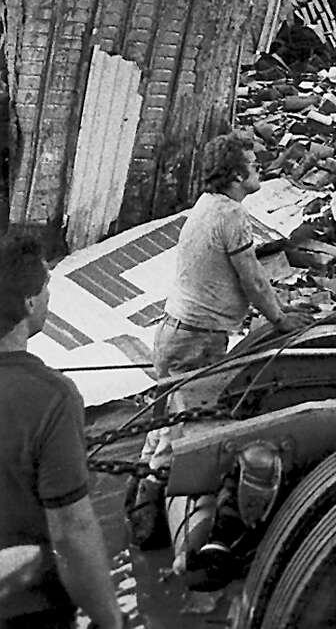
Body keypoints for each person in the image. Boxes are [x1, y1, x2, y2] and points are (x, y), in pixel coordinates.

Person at [0, 234, 126, 629]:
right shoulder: (50, 397)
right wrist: (110, 621)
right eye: (48, 286)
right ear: (30, 302)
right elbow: (73, 533)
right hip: (25, 611)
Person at [154, 133, 304, 393]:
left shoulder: (209, 203)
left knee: (169, 423)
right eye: (254, 166)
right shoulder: (232, 214)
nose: (260, 171)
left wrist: (282, 306)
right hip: (198, 340)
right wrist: (280, 320)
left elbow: (247, 276)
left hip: (179, 333)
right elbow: (252, 280)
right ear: (236, 175)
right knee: (190, 425)